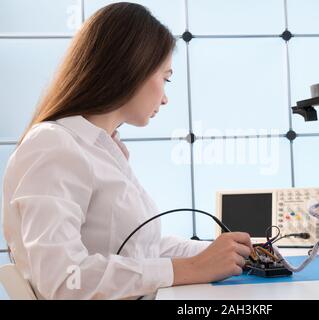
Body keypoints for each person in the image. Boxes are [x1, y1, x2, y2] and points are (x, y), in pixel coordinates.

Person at [1, 2, 252, 300]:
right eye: (166, 77)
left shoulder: (102, 149)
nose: (166, 98)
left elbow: (140, 248)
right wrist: (191, 267)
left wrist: (227, 252)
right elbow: (63, 280)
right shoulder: (54, 145)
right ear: (132, 67)